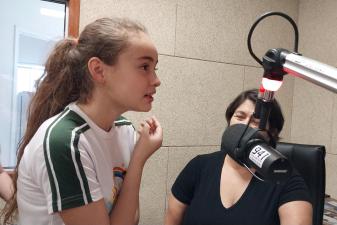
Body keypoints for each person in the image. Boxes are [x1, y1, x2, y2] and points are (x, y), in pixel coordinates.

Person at [1, 17, 162, 225]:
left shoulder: (125, 131)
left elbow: (130, 218)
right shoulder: (65, 141)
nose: (156, 80)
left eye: (155, 68)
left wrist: (138, 155)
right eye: (144, 67)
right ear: (98, 70)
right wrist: (138, 160)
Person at [165, 89, 312, 225]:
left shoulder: (285, 179)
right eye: (240, 117)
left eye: (256, 120)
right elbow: (172, 218)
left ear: (271, 132)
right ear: (229, 121)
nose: (244, 125)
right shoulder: (199, 166)